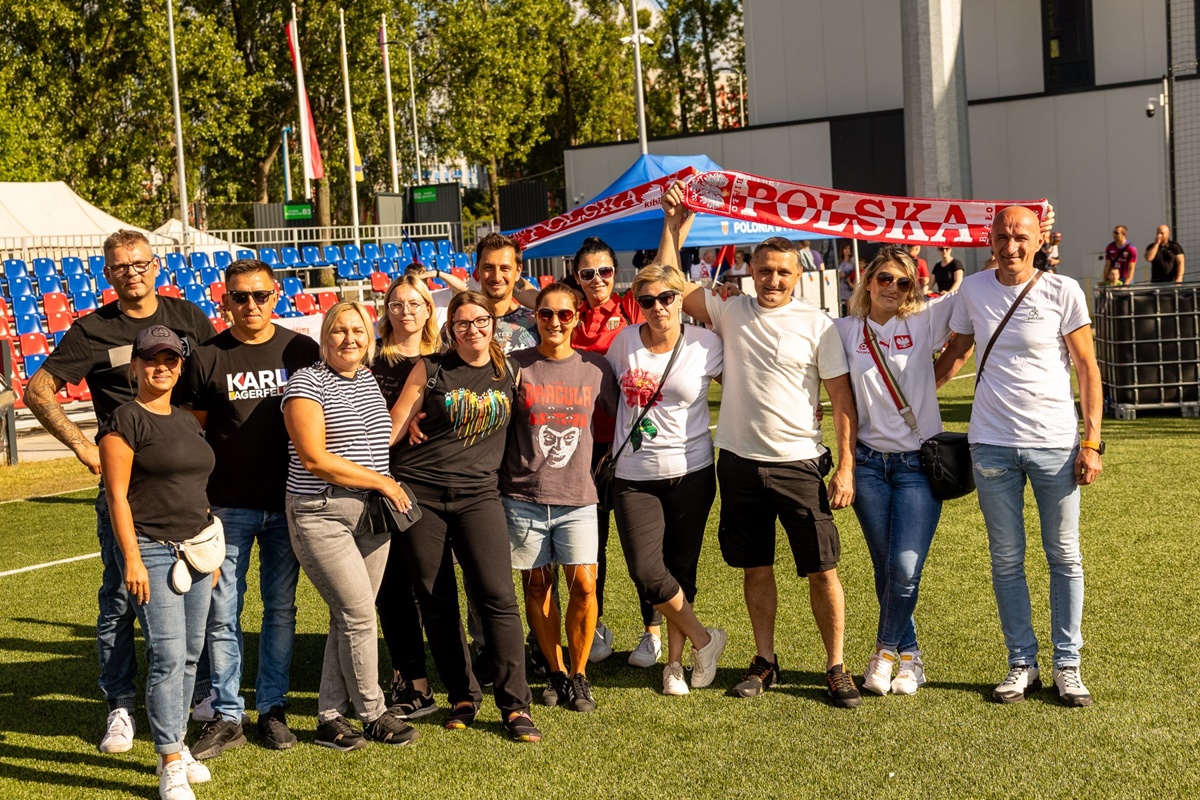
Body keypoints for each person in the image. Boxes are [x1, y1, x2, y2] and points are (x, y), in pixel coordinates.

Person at [663, 183, 862, 708]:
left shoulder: (818, 325)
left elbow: (841, 399)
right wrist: (674, 223)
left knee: (823, 571)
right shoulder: (730, 309)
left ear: (799, 277)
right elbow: (669, 281)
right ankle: (764, 660)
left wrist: (846, 466)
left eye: (783, 273)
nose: (773, 280)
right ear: (750, 270)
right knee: (756, 567)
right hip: (739, 465)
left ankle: (836, 666)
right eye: (765, 270)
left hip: (799, 464)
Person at [24, 229, 215, 753]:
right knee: (119, 599)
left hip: (184, 485)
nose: (131, 272)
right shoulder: (92, 329)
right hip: (127, 492)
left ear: (156, 266)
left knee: (198, 595)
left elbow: (213, 384)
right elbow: (37, 389)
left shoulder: (189, 318)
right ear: (107, 274)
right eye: (120, 266)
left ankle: (196, 693)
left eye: (139, 263)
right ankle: (120, 705)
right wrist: (84, 447)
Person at [936, 206, 1103, 708]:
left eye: (1021, 237)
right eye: (1003, 236)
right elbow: (956, 354)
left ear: (1039, 241)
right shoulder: (972, 290)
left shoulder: (1063, 290)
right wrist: (907, 401)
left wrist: (1091, 443)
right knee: (1007, 559)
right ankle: (1021, 663)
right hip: (991, 444)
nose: (1011, 246)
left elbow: (1087, 368)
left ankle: (1067, 665)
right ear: (990, 240)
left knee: (1064, 556)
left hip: (1055, 445)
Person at [388, 291, 542, 743]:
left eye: (480, 321)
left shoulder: (511, 370)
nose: (472, 329)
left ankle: (515, 705)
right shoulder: (432, 368)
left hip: (479, 496)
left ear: (493, 324)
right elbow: (395, 423)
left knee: (498, 597)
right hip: (421, 494)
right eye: (462, 323)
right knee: (435, 600)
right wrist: (369, 470)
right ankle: (462, 695)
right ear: (450, 328)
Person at [182, 259, 320, 759]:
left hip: (288, 503)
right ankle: (227, 713)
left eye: (260, 295)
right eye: (240, 296)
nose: (251, 305)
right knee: (223, 613)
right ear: (225, 301)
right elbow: (193, 434)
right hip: (227, 508)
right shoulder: (207, 356)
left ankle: (273, 708)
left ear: (276, 295)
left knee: (281, 610)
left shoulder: (301, 350)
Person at [281, 300, 419, 750]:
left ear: (370, 338)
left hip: (372, 515)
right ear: (325, 337)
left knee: (348, 616)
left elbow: (375, 439)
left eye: (358, 331)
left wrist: (413, 423)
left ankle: (329, 717)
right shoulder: (306, 382)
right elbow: (314, 459)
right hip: (321, 512)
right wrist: (381, 481)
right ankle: (373, 713)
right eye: (340, 330)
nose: (350, 339)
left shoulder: (367, 380)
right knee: (359, 614)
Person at [97, 325, 216, 800]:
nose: (160, 367)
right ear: (135, 367)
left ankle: (178, 743)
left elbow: (197, 488)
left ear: (180, 367)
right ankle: (169, 762)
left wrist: (210, 549)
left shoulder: (187, 419)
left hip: (197, 549)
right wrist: (132, 558)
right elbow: (116, 499)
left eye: (169, 359)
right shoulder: (124, 420)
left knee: (190, 655)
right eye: (151, 359)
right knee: (167, 655)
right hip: (152, 549)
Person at [833, 246, 957, 696]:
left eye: (904, 282)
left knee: (905, 568)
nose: (893, 288)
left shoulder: (924, 321)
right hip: (867, 465)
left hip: (917, 465)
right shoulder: (843, 330)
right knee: (886, 568)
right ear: (868, 281)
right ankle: (910, 658)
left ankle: (884, 652)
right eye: (884, 278)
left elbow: (981, 292)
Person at [605, 264, 726, 696]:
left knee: (681, 569)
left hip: (691, 472)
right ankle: (704, 639)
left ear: (680, 299)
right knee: (646, 571)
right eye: (647, 300)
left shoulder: (706, 344)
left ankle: (673, 665)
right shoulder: (623, 343)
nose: (658, 307)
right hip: (633, 475)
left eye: (666, 298)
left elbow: (744, 387)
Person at [502, 283, 617, 711]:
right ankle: (555, 671)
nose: (554, 322)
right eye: (546, 314)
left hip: (578, 495)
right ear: (536, 317)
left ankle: (579, 673)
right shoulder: (514, 366)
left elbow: (623, 416)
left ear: (577, 318)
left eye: (564, 314)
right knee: (538, 586)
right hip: (523, 495)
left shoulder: (596, 367)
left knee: (584, 586)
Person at [372, 275, 443, 719]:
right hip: (378, 481)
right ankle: (411, 678)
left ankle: (461, 671)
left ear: (428, 309)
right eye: (397, 304)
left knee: (432, 585)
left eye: (415, 303)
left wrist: (425, 416)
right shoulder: (369, 358)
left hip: (430, 483)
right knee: (392, 586)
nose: (405, 311)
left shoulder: (445, 359)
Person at [836, 242, 858, 314]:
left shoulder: (853, 260)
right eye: (845, 249)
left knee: (852, 305)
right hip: (844, 285)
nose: (847, 250)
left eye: (848, 248)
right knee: (848, 305)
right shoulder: (840, 261)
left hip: (852, 283)